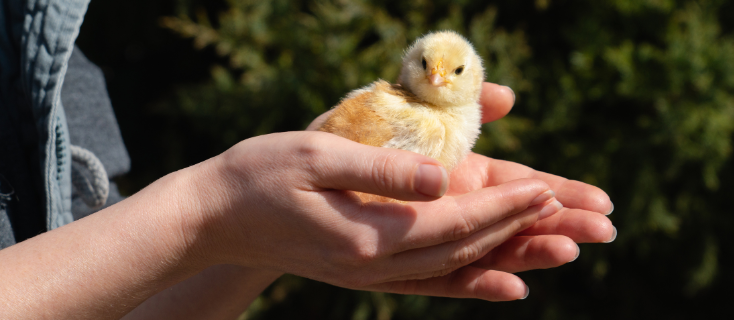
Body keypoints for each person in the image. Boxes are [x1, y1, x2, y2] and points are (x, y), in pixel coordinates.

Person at [0, 0, 616, 318]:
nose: (434, 77)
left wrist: (261, 242)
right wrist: (204, 214)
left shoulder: (48, 66)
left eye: (450, 72)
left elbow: (104, 300)